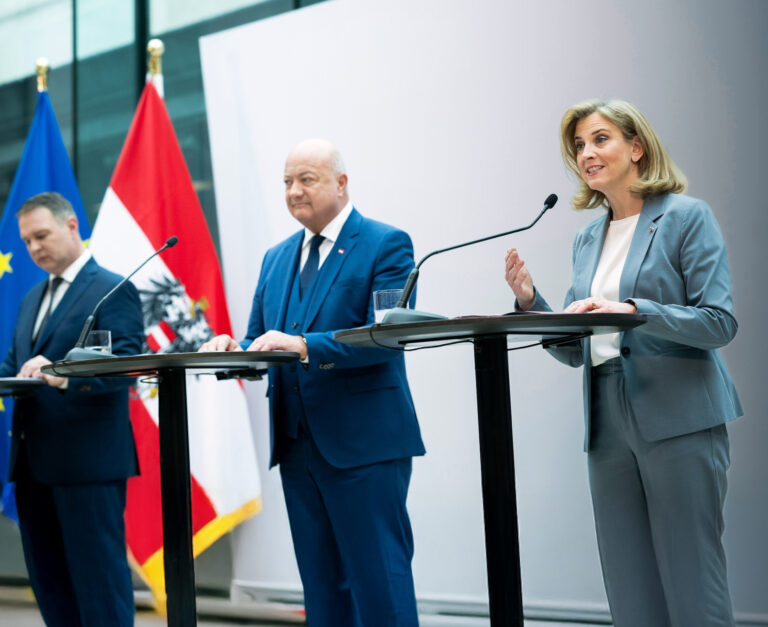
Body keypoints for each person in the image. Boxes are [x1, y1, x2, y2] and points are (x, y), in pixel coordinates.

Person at [505, 100, 742, 627]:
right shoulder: (588, 237)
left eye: (600, 139)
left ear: (636, 147)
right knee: (628, 582)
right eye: (579, 146)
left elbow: (718, 322)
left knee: (691, 577)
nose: (586, 154)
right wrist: (532, 304)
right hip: (606, 421)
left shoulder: (685, 217)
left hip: (678, 414)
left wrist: (635, 311)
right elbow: (576, 347)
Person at [200, 138, 424, 626]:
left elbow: (389, 336)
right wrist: (232, 351)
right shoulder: (276, 258)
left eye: (307, 179)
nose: (294, 191)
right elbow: (261, 341)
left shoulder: (386, 244)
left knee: (378, 583)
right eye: (286, 182)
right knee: (322, 592)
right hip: (298, 446)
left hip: (364, 446)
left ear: (341, 184)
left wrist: (305, 346)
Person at [0, 192, 144, 626]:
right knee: (52, 588)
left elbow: (126, 368)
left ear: (71, 225)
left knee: (100, 588)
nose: (34, 247)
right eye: (26, 241)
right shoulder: (31, 298)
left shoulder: (113, 289)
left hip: (88, 467)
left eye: (41, 235)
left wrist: (62, 373)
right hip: (32, 466)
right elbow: (13, 365)